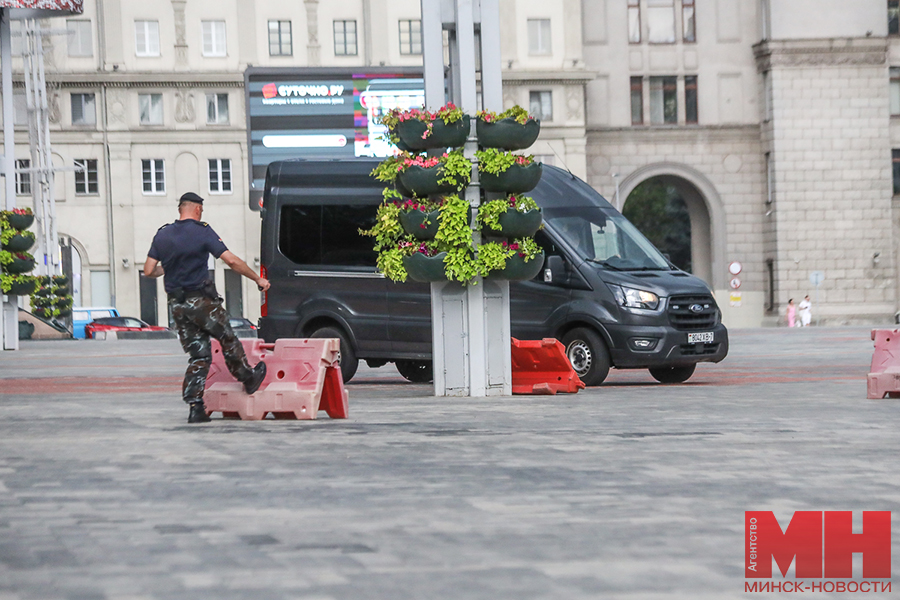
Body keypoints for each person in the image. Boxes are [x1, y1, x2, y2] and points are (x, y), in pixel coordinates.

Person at [143, 192, 271, 423]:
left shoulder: (162, 235)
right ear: (198, 209)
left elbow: (149, 270)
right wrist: (257, 279)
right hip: (201, 302)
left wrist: (167, 270)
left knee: (198, 356)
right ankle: (248, 377)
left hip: (177, 306)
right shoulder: (202, 231)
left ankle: (195, 407)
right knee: (227, 338)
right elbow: (230, 260)